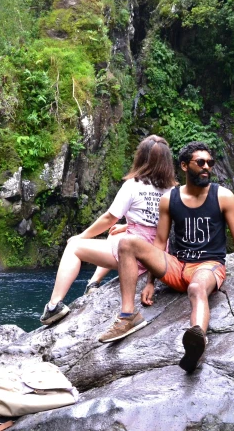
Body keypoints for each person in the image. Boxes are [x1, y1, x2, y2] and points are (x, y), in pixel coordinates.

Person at [96, 141, 234, 373]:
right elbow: (160, 242)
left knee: (196, 288)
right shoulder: (169, 198)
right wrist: (151, 282)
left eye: (210, 163)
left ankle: (197, 341)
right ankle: (128, 316)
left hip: (208, 266)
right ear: (183, 165)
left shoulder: (223, 196)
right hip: (177, 265)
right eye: (200, 162)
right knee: (127, 242)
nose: (206, 167)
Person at [39, 135, 178, 325]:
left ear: (141, 158)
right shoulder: (173, 190)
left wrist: (80, 236)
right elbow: (161, 224)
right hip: (158, 255)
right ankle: (93, 283)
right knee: (115, 235)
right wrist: (127, 226)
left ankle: (53, 306)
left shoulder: (134, 185)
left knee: (74, 248)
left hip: (133, 255)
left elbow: (109, 217)